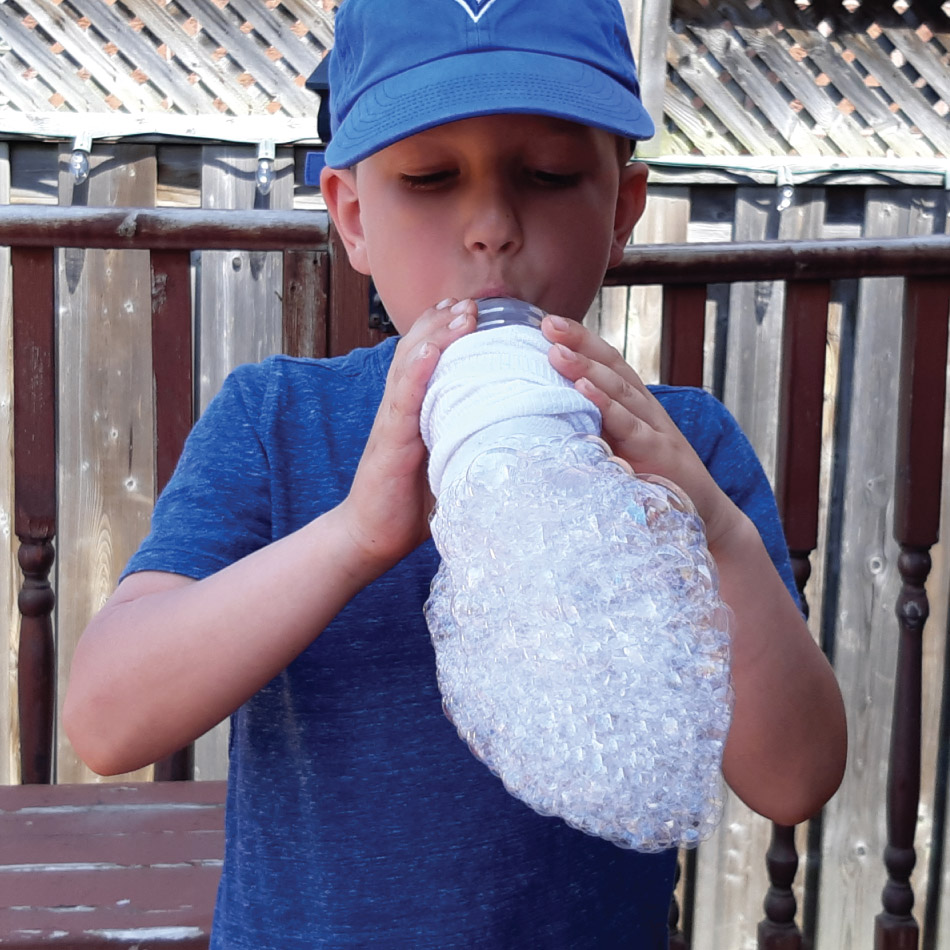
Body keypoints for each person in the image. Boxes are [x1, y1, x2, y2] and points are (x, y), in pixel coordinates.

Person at [64, 0, 847, 946]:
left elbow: (794, 778)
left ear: (623, 211)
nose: (491, 228)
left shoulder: (684, 448)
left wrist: (710, 528)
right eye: (431, 178)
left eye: (551, 175)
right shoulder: (278, 422)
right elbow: (106, 723)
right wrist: (356, 535)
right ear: (351, 216)